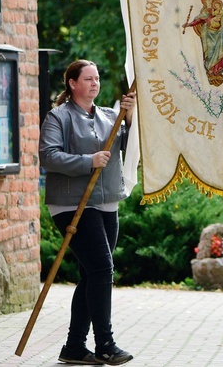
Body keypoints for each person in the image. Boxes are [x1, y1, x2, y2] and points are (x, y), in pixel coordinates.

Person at [39, 60, 136, 366]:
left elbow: (131, 148)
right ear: (72, 83)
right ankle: (105, 344)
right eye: (88, 79)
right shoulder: (59, 116)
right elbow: (48, 156)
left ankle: (73, 347)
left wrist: (130, 119)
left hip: (107, 202)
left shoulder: (110, 115)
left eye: (97, 78)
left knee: (90, 274)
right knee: (102, 270)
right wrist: (87, 161)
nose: (95, 83)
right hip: (72, 204)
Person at [183, 0, 223, 87]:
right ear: (204, 1)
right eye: (207, 0)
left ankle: (217, 71)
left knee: (219, 54)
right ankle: (211, 71)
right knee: (209, 55)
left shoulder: (218, 11)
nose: (209, 2)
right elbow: (197, 21)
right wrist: (188, 25)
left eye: (211, 0)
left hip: (218, 36)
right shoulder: (204, 13)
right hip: (208, 37)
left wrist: (222, 27)